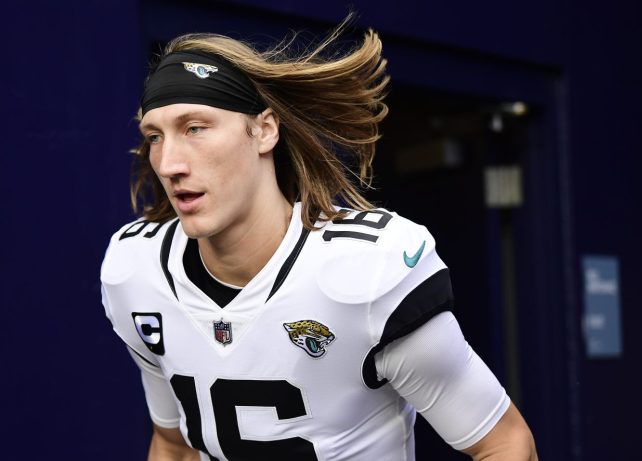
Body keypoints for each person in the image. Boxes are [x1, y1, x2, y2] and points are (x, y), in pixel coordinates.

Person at [100, 17, 537, 461]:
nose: (169, 163)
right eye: (154, 137)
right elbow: (174, 445)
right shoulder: (137, 271)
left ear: (264, 130)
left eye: (195, 128)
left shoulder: (365, 272)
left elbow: (504, 443)